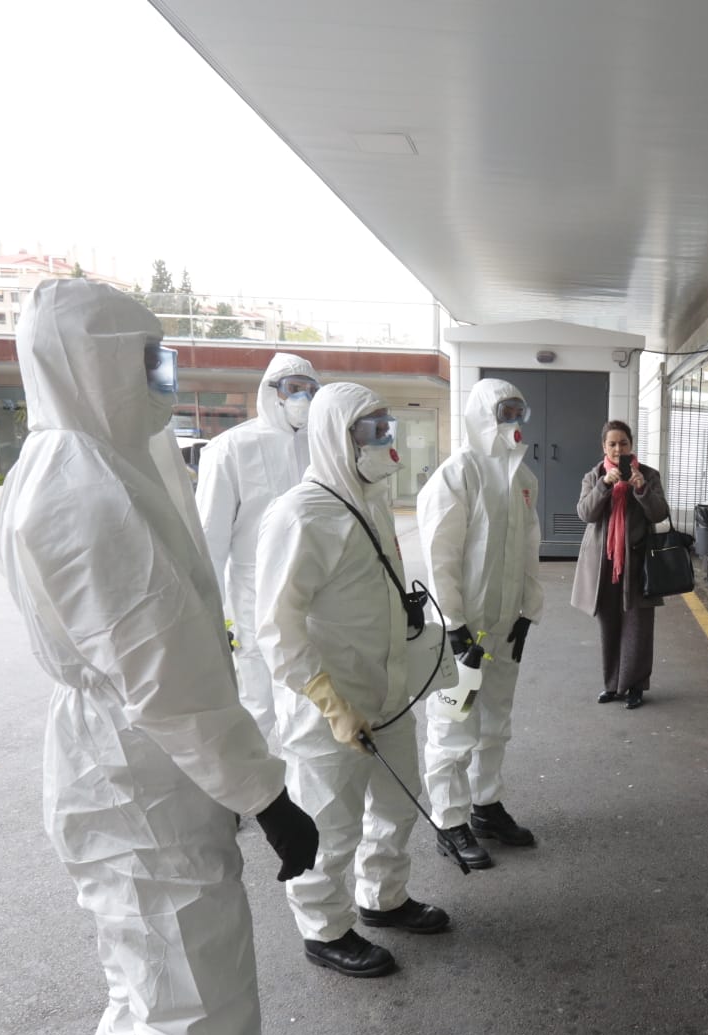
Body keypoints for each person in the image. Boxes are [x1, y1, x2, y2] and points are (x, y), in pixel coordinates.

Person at [0, 279, 315, 1035]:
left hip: (120, 767)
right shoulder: (82, 487)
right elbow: (167, 672)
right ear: (96, 364)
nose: (164, 374)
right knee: (198, 1010)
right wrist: (268, 794)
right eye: (149, 356)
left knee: (144, 979)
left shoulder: (80, 462)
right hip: (142, 770)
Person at [257, 382, 451, 979]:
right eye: (370, 432)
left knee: (396, 808)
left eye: (386, 428)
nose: (384, 443)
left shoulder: (368, 501)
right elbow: (277, 627)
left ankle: (383, 898)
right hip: (331, 708)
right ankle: (324, 928)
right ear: (336, 437)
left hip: (387, 693)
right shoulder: (299, 513)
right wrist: (330, 702)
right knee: (329, 824)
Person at [416, 378, 545, 870]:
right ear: (481, 415)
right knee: (452, 724)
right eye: (503, 411)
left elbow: (530, 552)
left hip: (504, 627)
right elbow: (440, 557)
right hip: (464, 634)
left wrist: (529, 612)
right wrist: (453, 625)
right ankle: (449, 822)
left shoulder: (524, 479)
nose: (512, 421)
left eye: (518, 411)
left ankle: (486, 806)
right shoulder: (457, 475)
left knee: (495, 723)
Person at [196, 353, 321, 745]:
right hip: (254, 596)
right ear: (271, 392)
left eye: (310, 390)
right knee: (259, 701)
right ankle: (266, 797)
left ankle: (304, 791)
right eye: (293, 388)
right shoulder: (231, 448)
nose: (303, 398)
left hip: (314, 591)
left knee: (310, 698)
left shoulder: (320, 446)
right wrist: (210, 615)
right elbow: (209, 539)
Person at [570, 421, 671, 709]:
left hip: (639, 562)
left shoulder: (648, 475)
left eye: (623, 443)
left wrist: (640, 488)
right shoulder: (594, 476)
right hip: (603, 564)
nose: (618, 449)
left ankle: (636, 686)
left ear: (631, 445)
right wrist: (604, 485)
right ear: (604, 447)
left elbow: (659, 513)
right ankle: (612, 685)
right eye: (612, 444)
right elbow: (585, 514)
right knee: (609, 624)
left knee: (638, 626)